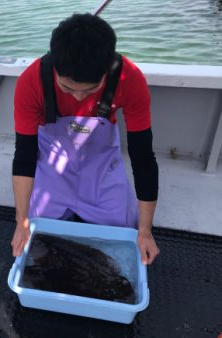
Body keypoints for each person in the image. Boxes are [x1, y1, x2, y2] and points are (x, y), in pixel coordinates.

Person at [10, 13, 160, 265]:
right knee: (38, 229)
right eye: (68, 88)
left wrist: (146, 231)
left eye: (90, 89)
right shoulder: (30, 81)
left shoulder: (131, 79)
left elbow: (143, 156)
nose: (79, 97)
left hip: (100, 158)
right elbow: (24, 155)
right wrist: (21, 221)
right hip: (53, 155)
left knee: (124, 227)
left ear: (106, 69)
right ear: (55, 67)